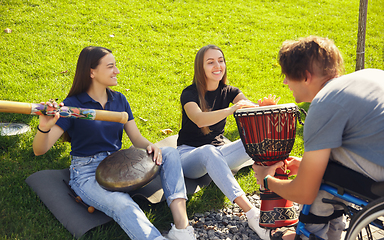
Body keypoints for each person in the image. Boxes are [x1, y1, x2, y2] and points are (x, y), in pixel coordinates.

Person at [33, 46, 196, 240]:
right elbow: (39, 150)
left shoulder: (119, 100)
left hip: (119, 165)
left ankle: (181, 229)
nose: (117, 71)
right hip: (87, 173)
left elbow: (136, 138)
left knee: (169, 153)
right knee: (123, 204)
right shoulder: (73, 105)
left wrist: (149, 145)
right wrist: (45, 126)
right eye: (110, 66)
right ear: (91, 72)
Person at [252, 36, 384, 240]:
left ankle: (306, 236)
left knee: (320, 179)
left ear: (305, 76)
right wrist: (305, 165)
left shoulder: (324, 103)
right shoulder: (369, 76)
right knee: (321, 169)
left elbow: (304, 192)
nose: (285, 82)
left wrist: (266, 180)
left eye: (287, 76)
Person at [176, 44, 279, 240]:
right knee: (209, 152)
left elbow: (249, 111)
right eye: (210, 62)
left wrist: (262, 108)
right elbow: (199, 119)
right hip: (189, 156)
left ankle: (277, 196)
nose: (217, 66)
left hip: (219, 152)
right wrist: (231, 110)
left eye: (220, 60)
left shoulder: (230, 91)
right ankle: (252, 214)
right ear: (201, 68)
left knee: (256, 138)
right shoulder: (189, 93)